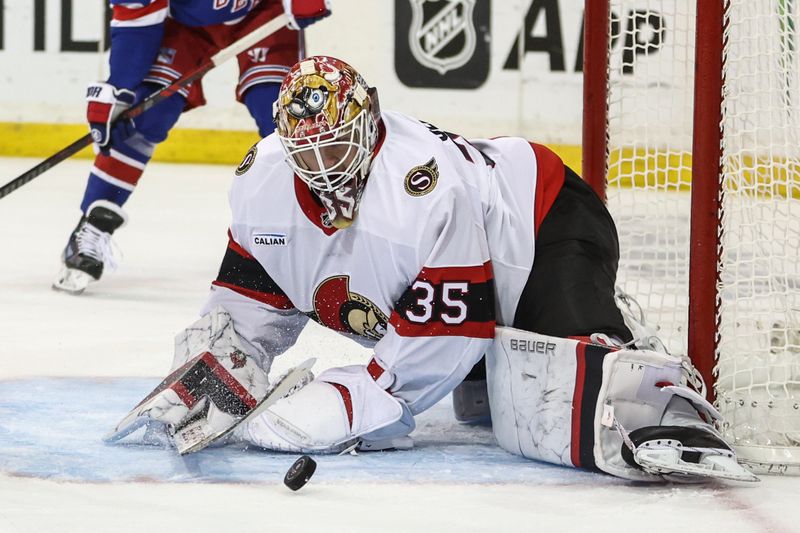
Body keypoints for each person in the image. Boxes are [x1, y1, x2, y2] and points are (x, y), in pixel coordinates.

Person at [109, 55, 756, 482]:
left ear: (368, 124)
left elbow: (451, 326)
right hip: (464, 284)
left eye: (337, 144)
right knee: (489, 410)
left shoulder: (421, 191)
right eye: (308, 150)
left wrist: (356, 394)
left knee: (558, 402)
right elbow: (254, 293)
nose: (324, 165)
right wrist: (217, 369)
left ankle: (649, 389)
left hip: (543, 224)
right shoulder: (263, 184)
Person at [53, 0, 331, 294]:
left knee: (283, 118)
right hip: (186, 25)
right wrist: (120, 88)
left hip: (263, 12)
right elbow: (137, 25)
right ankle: (94, 224)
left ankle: (315, 232)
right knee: (145, 115)